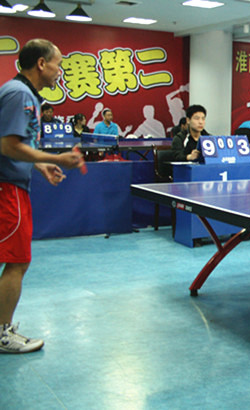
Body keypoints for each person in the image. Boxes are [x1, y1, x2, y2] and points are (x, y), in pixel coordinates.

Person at [0, 39, 84, 353]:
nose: (60, 71)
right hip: (7, 188)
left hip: (12, 184)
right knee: (17, 261)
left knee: (14, 259)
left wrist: (41, 165)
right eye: (58, 64)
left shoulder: (21, 93)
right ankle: (2, 333)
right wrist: (56, 158)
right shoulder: (19, 94)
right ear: (41, 64)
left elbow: (15, 144)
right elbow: (7, 146)